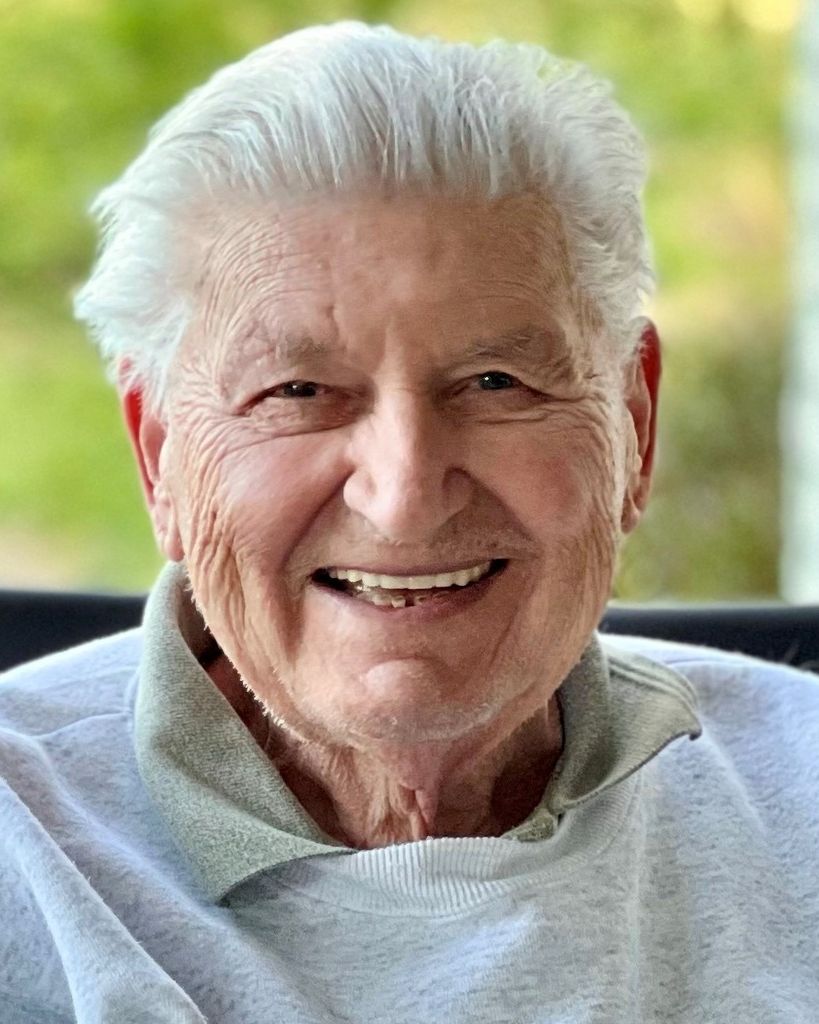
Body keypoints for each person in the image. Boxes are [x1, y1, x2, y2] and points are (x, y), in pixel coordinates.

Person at [1, 21, 817, 1024]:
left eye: (494, 381)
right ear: (160, 455)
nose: (404, 493)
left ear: (633, 426)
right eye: (298, 391)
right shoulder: (19, 845)